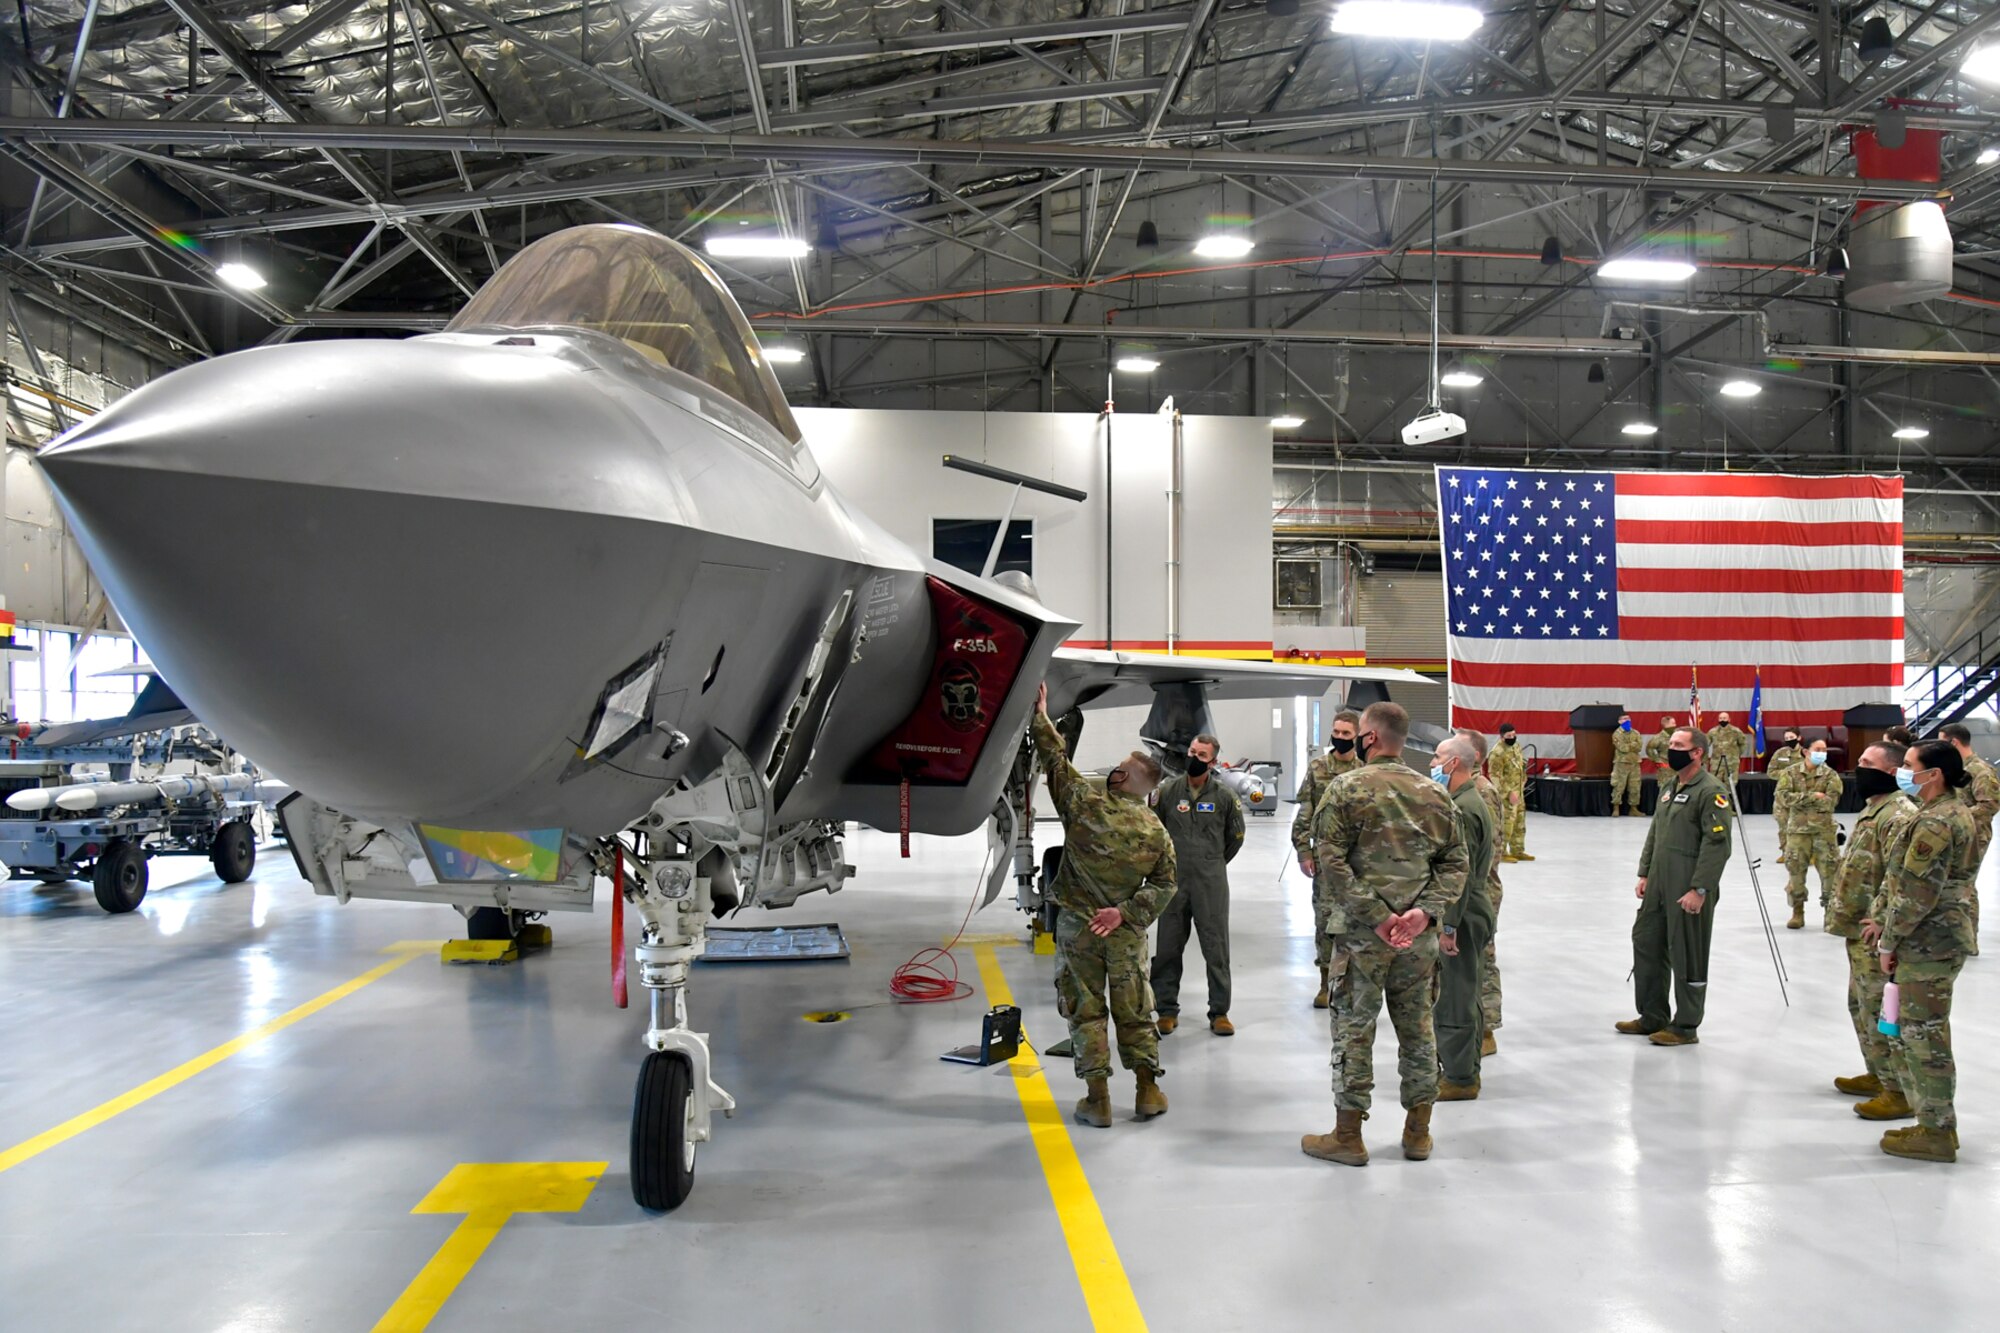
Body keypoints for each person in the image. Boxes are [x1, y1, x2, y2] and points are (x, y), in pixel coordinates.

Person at [1301, 702, 1468, 1168]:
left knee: (1354, 1032)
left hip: (1361, 940)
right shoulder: (1434, 794)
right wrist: (1422, 914)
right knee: (1418, 1032)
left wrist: (1376, 916)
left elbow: (1329, 860)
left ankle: (1348, 1137)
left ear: (1369, 737)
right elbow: (1457, 864)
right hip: (1416, 943)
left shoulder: (1345, 788)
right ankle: (1418, 1134)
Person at [1030, 684, 1178, 1128]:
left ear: (1126, 779)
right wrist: (1125, 913)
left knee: (1086, 1010)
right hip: (1125, 935)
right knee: (1134, 1009)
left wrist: (1040, 713)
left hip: (1079, 929)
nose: (1113, 771)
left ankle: (1098, 1099)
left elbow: (1055, 761)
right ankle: (1148, 1090)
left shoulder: (1085, 807)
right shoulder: (1155, 831)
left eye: (1119, 768)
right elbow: (1166, 884)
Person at [1869, 740, 1978, 1162]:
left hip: (1928, 940)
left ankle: (1936, 1131)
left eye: (1910, 766)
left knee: (1924, 1038)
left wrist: (1889, 940)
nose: (1904, 771)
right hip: (1935, 937)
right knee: (1924, 1033)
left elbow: (1916, 891)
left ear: (1934, 775)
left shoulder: (1936, 823)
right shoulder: (1943, 812)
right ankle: (1931, 1123)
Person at [1617, 727, 1734, 1046]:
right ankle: (1652, 1015)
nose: (1671, 749)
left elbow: (1718, 844)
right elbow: (1656, 832)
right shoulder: (1669, 786)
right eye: (1670, 744)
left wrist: (1700, 889)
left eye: (1678, 745)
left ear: (1697, 753)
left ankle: (1686, 1024)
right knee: (1646, 941)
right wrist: (1644, 872)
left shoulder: (1711, 791)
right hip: (1658, 881)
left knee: (1688, 952)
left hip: (1688, 883)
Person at [1826, 744, 1916, 1120]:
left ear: (1893, 771)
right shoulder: (1873, 809)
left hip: (1874, 931)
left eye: (1867, 764)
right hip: (1857, 926)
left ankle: (1898, 1090)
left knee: (1883, 1009)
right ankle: (1878, 1073)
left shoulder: (1897, 815)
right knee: (1859, 1004)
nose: (1859, 769)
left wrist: (1883, 924)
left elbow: (1899, 877)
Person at [1151, 733, 1246, 1037]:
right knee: (1167, 947)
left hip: (1210, 883)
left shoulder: (1223, 797)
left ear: (1213, 761)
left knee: (1216, 948)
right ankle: (1166, 1009)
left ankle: (1219, 1012)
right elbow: (1153, 832)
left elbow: (1236, 837)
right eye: (1192, 751)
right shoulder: (1166, 792)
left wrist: (1211, 862)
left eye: (1201, 755)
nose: (1194, 758)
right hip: (1173, 882)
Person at [1435, 735, 1496, 1101]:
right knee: (1464, 991)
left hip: (1463, 912)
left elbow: (1461, 874)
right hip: (1467, 909)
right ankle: (1463, 1068)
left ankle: (1460, 1078)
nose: (1433, 763)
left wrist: (1448, 925)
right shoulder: (1463, 800)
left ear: (1454, 763)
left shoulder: (1465, 809)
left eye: (1439, 756)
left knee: (1455, 996)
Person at [1293, 709, 1361, 1008]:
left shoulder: (1364, 771)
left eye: (1347, 734)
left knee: (1356, 923)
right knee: (1324, 923)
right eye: (1337, 732)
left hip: (1357, 862)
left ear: (1357, 737)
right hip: (1324, 861)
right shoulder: (1318, 767)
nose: (1340, 738)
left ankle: (1350, 985)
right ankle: (1325, 983)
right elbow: (1305, 811)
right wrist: (1303, 851)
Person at [1456, 727, 1505, 1055]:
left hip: (1479, 888)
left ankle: (1486, 1030)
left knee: (1481, 959)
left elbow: (1485, 850)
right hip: (1464, 887)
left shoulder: (1481, 792)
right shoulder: (1461, 788)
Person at [1937, 722, 1996, 951]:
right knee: (1952, 884)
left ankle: (1967, 939)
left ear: (1953, 742)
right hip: (1956, 834)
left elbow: (1989, 805)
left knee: (1964, 885)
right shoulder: (1957, 767)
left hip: (1974, 835)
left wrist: (1956, 816)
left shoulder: (1980, 771)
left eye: (1942, 741)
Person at [1776, 738, 1842, 930]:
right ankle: (1798, 912)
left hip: (1824, 833)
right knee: (1795, 872)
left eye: (1825, 749)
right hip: (1798, 832)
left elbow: (1831, 802)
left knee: (1830, 874)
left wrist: (1801, 800)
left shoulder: (1831, 775)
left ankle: (1829, 915)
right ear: (1806, 751)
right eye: (1818, 749)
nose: (1822, 752)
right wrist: (1814, 796)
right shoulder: (1790, 773)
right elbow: (1784, 798)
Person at [1488, 721, 1531, 862]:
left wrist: (1523, 780)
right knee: (1506, 824)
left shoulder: (1516, 746)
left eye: (1514, 734)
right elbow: (1494, 776)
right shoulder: (1497, 753)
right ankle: (1501, 853)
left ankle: (1518, 850)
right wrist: (1508, 793)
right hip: (1507, 795)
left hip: (1519, 791)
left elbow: (1520, 765)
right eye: (1509, 735)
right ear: (1501, 737)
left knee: (1519, 822)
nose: (1512, 737)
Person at [1768, 729, 1805, 863]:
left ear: (1799, 737)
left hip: (1801, 796)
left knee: (1803, 826)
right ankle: (1785, 852)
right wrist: (1787, 773)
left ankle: (1807, 854)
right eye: (1786, 737)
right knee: (1783, 825)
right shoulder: (1780, 753)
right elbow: (1770, 772)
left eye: (1792, 737)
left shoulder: (1806, 754)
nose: (1789, 739)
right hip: (1782, 796)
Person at [1610, 712, 1643, 816]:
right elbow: (1622, 748)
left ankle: (1633, 809)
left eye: (1628, 718)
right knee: (1619, 786)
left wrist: (1631, 746)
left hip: (1634, 763)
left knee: (1635, 786)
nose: (1627, 720)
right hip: (1622, 763)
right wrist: (1633, 745)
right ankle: (1616, 808)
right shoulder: (1617, 734)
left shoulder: (1636, 733)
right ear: (1619, 722)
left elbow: (1639, 747)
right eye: (1624, 719)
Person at [1706, 712, 1748, 783]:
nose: (1722, 720)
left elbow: (1743, 744)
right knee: (1715, 783)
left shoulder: (1736, 731)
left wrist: (1736, 755)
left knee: (1731, 784)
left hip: (1731, 763)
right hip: (1716, 763)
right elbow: (1705, 744)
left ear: (1729, 719)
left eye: (1724, 718)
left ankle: (1729, 794)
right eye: (1720, 718)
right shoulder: (1712, 732)